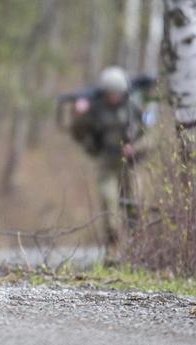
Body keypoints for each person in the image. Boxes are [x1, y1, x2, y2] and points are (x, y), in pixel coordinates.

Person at [69, 66, 150, 263]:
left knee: (134, 205)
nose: (112, 97)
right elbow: (78, 134)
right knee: (109, 205)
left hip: (130, 164)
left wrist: (135, 147)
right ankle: (113, 252)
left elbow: (150, 137)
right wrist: (79, 114)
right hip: (107, 163)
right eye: (109, 94)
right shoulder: (95, 108)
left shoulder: (134, 107)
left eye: (116, 93)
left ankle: (137, 250)